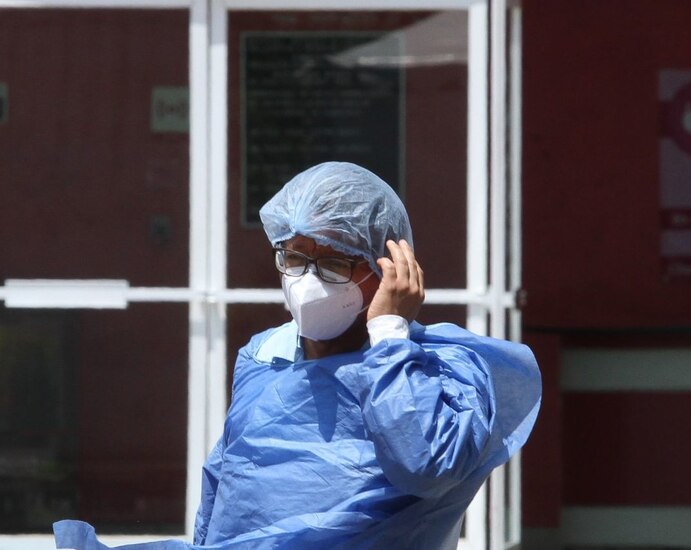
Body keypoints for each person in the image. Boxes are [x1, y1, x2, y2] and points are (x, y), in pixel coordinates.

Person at [54, 162, 542, 549]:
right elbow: (226, 483)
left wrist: (390, 331)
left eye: (332, 261)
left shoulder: (444, 370)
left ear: (388, 267)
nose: (307, 281)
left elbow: (424, 465)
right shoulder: (265, 355)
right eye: (293, 258)